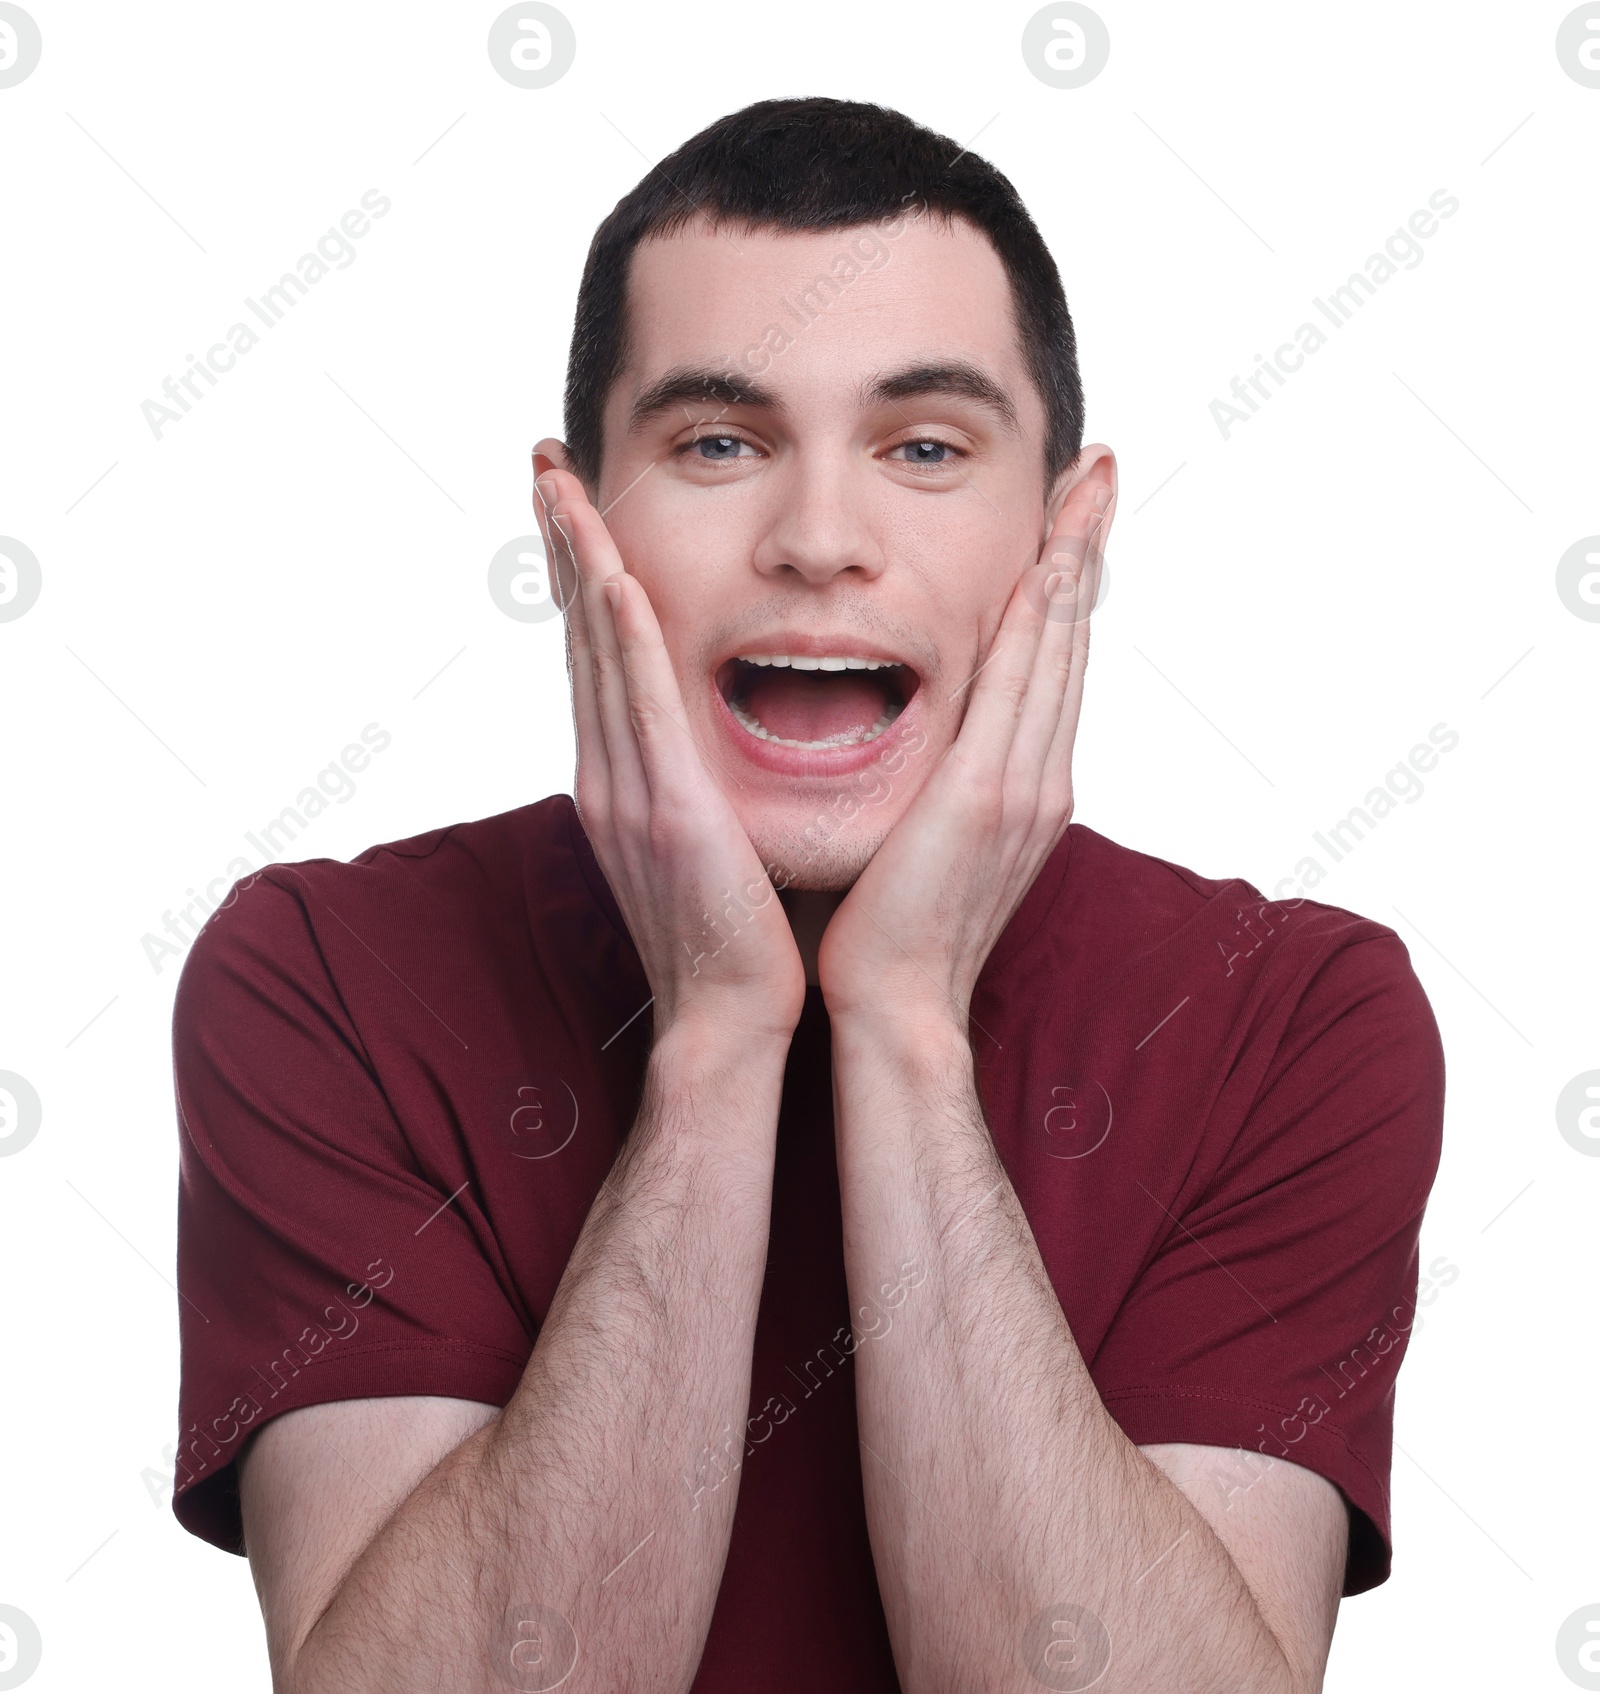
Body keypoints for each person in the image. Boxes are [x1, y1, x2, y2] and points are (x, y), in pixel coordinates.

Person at [170, 98, 1444, 1693]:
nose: (821, 540)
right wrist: (717, 1038)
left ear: (1067, 535)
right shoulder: (324, 976)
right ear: (576, 532)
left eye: (924, 447)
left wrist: (903, 1025)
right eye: (718, 442)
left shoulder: (1292, 1017)